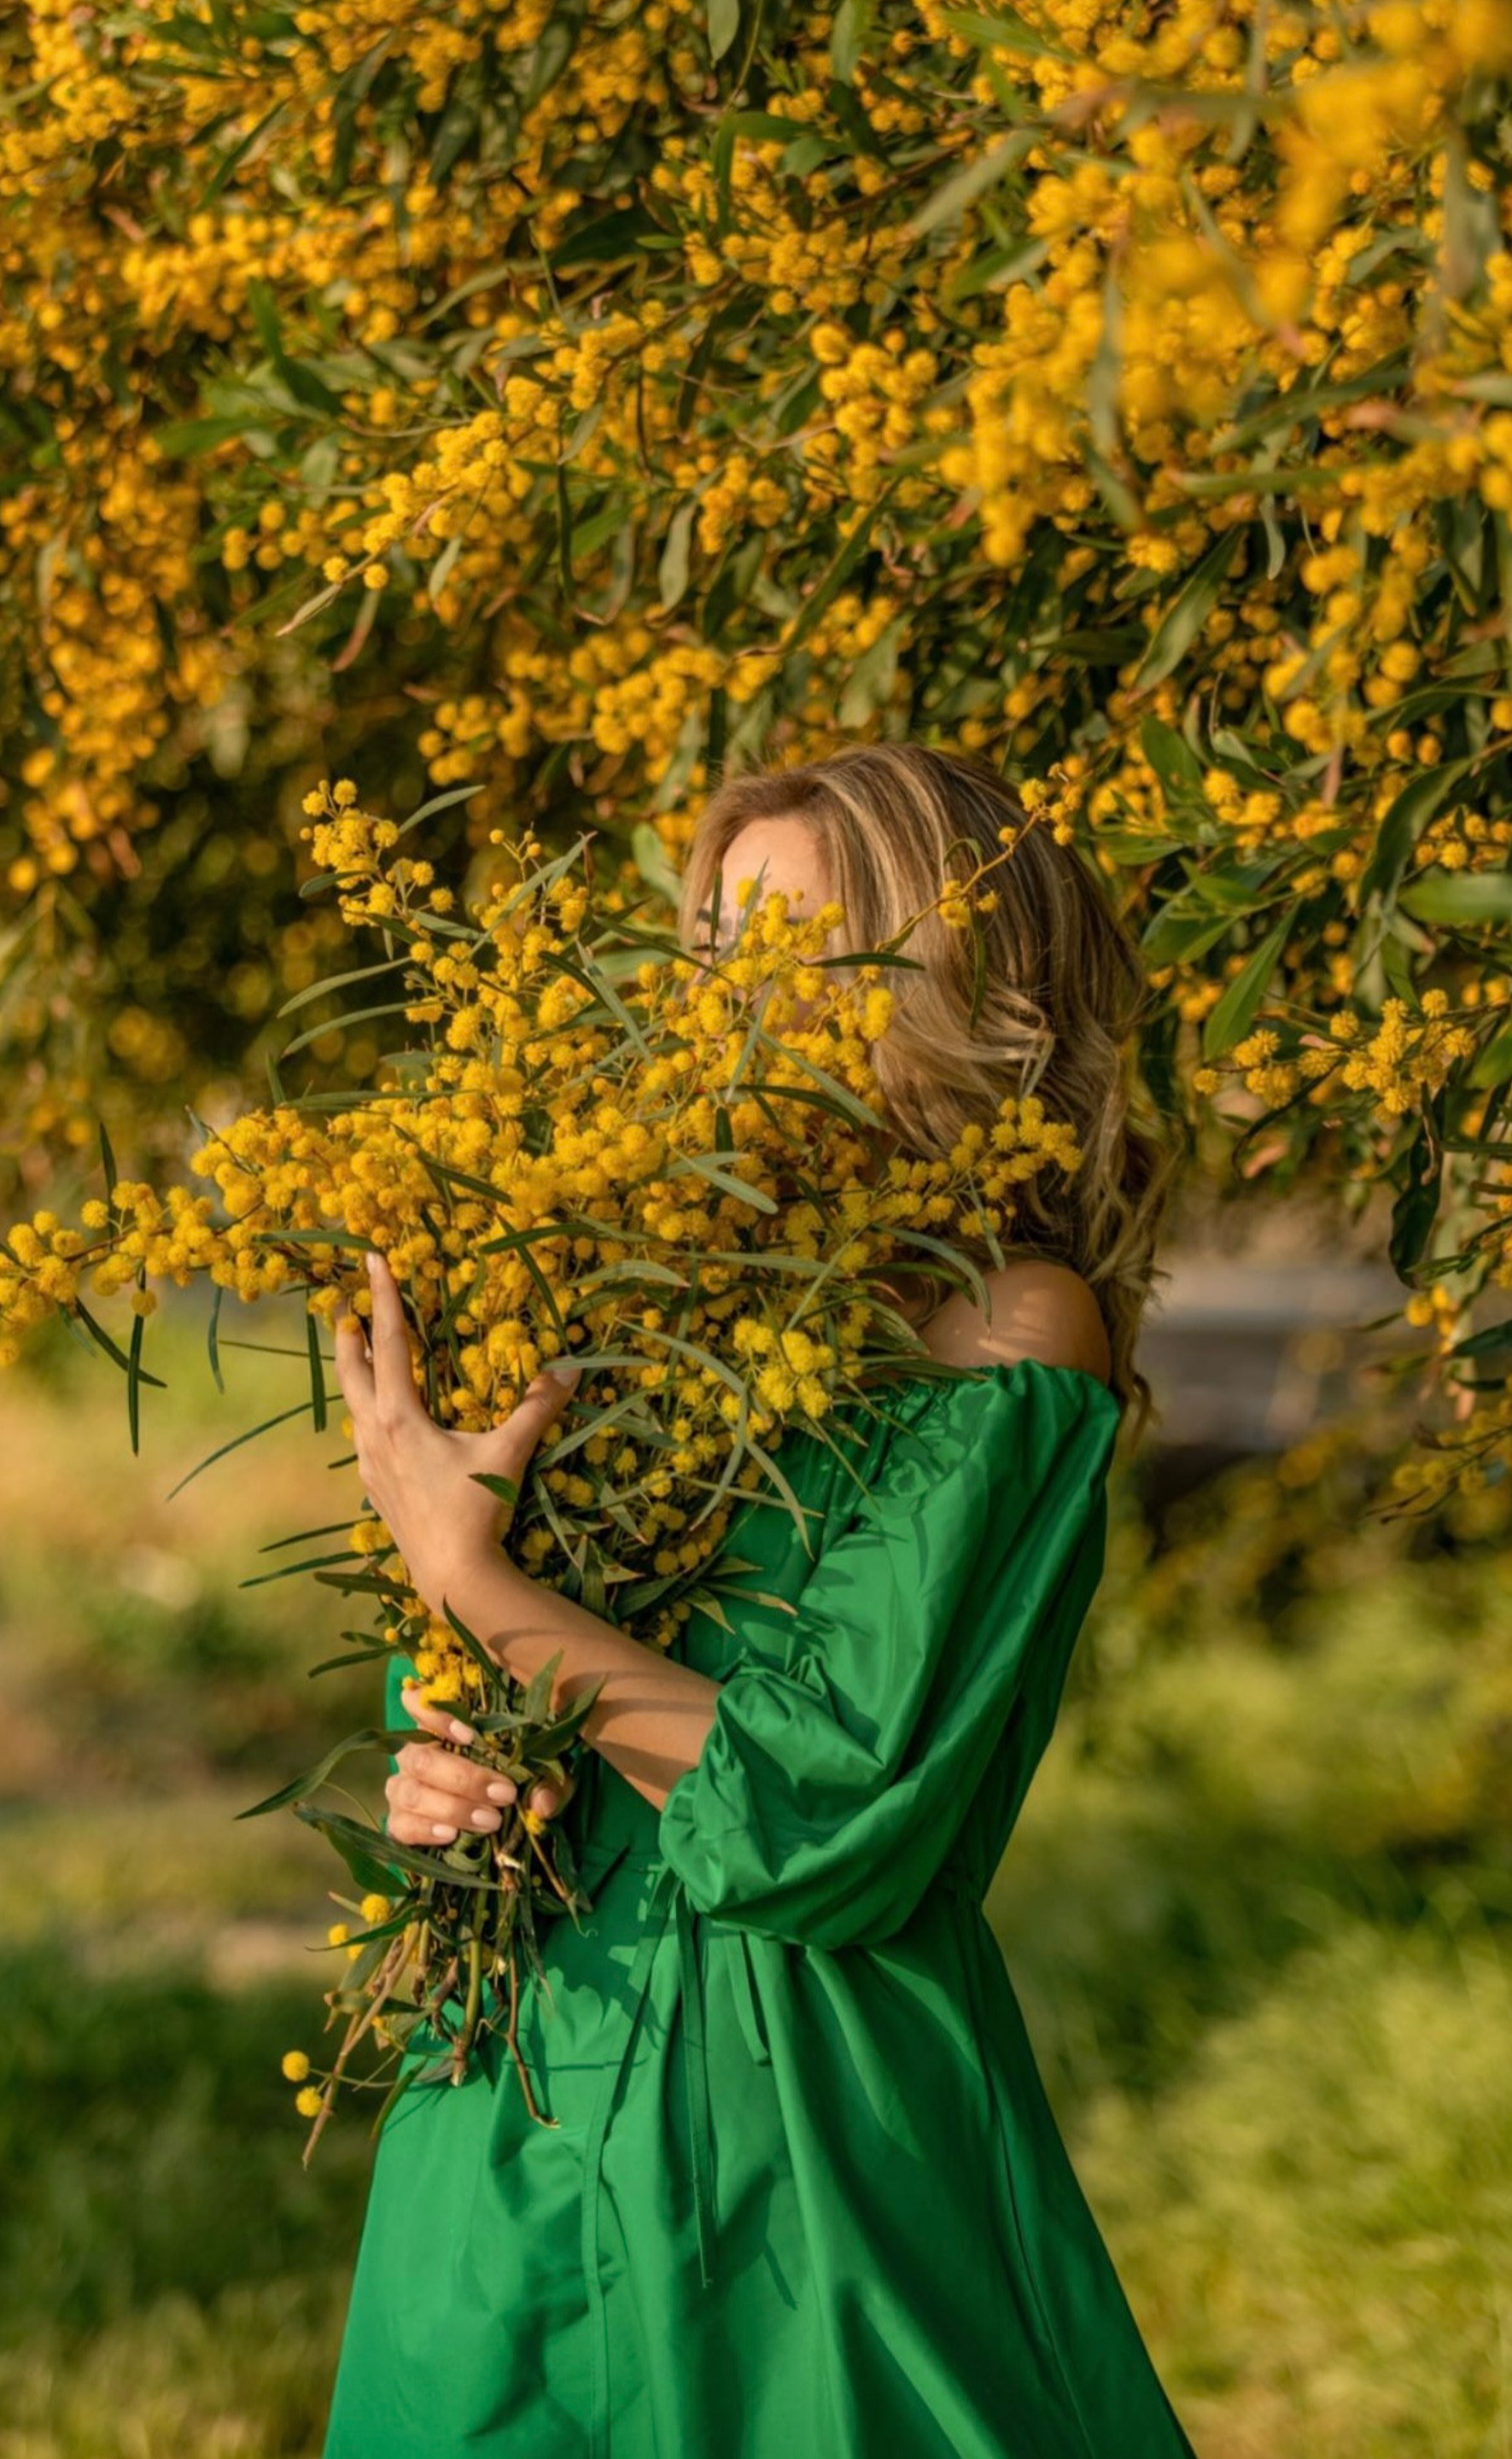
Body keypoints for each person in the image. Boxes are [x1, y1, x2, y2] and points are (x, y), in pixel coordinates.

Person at [322, 743, 1198, 2457]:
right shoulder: (629, 1269)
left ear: (965, 990)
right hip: (518, 2074)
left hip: (793, 2130)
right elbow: (496, 1664)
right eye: (726, 956)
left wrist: (473, 1579)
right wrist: (448, 1757)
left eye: (815, 957)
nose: (743, 1012)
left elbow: (830, 1809)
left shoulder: (1011, 1330)